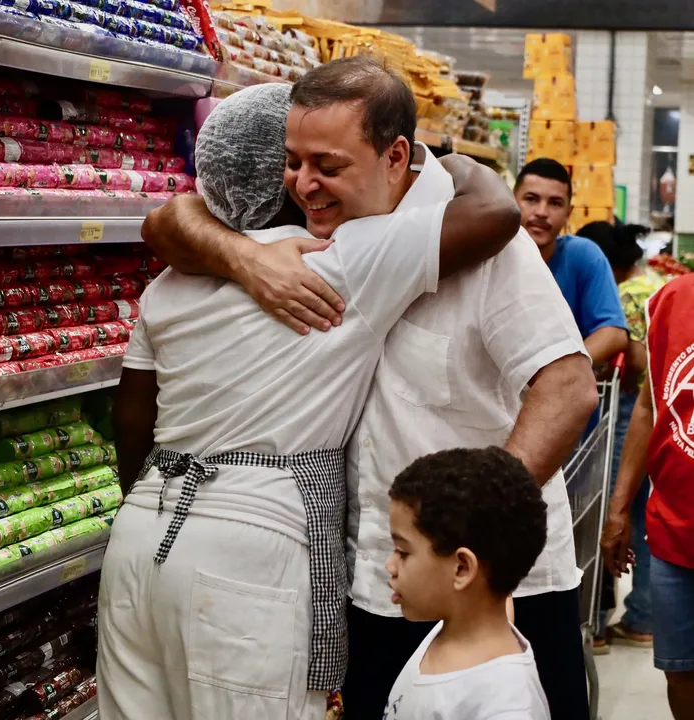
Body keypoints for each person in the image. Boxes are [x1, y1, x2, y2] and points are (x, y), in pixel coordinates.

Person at [142, 59, 598, 720]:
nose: (303, 184)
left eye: (326, 165)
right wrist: (243, 257)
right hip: (376, 585)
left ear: (394, 158)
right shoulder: (305, 231)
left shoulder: (478, 237)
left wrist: (473, 535)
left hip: (498, 589)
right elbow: (168, 221)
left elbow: (566, 387)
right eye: (291, 161)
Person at [383, 447, 551, 720]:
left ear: (462, 568)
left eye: (403, 552)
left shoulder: (508, 707)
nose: (389, 566)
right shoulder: (456, 627)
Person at [601, 273, 694, 720]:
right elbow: (647, 406)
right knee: (680, 674)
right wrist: (619, 510)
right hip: (674, 534)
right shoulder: (671, 300)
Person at [580, 221, 663, 652]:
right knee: (646, 515)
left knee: (616, 510)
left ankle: (604, 615)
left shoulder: (630, 293)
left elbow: (633, 356)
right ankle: (646, 615)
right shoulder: (657, 285)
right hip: (657, 408)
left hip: (632, 405)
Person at [514, 158, 629, 365]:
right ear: (513, 201)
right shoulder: (490, 253)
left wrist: (562, 372)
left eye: (555, 203)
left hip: (561, 391)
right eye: (531, 199)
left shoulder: (583, 256)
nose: (541, 212)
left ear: (569, 213)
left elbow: (613, 332)